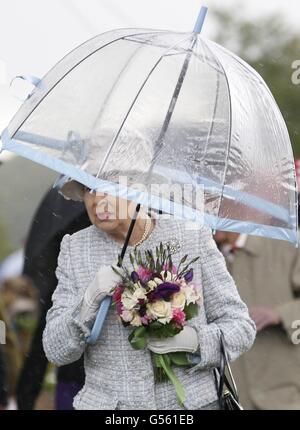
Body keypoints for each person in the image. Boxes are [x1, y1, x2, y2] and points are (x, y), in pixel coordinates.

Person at [43, 180, 256, 410]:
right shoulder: (76, 249)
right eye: (89, 189)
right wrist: (88, 302)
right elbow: (55, 350)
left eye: (110, 187)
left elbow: (241, 328)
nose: (98, 201)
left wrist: (195, 342)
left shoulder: (190, 234)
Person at [214, 230, 300, 410]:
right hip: (233, 397)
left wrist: (280, 314)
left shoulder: (286, 243)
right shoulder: (209, 255)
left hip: (285, 394)